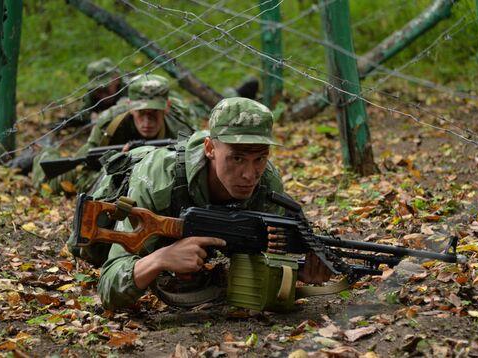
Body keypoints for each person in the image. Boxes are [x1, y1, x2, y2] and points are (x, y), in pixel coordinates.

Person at [95, 97, 331, 311]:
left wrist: (300, 269)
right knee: (93, 249)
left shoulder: (267, 183)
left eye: (260, 158)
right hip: (116, 191)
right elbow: (108, 287)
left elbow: (272, 251)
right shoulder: (159, 184)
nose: (250, 174)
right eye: (236, 158)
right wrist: (161, 259)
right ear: (209, 149)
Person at [31, 73, 196, 194]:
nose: (147, 121)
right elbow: (87, 164)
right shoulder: (110, 123)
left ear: (166, 107)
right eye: (141, 113)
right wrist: (116, 165)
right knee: (52, 185)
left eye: (154, 113)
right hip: (104, 167)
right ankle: (43, 152)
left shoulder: (182, 128)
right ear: (130, 106)